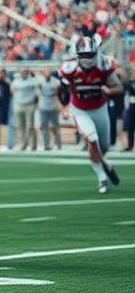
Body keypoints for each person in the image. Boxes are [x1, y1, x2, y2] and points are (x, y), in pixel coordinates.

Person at [58, 35, 122, 193]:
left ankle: (104, 162)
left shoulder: (104, 66)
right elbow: (60, 90)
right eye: (83, 55)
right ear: (77, 55)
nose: (87, 59)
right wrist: (63, 107)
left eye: (90, 55)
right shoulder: (70, 69)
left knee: (104, 145)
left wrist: (109, 90)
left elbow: (119, 89)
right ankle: (102, 178)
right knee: (92, 139)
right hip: (79, 110)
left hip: (100, 108)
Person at [11, 69, 39, 150]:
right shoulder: (16, 81)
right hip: (19, 105)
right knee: (21, 126)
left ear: (27, 73)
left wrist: (35, 103)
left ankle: (33, 144)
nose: (23, 74)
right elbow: (12, 90)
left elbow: (37, 93)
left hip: (29, 105)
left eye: (24, 72)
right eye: (21, 72)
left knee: (30, 126)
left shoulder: (33, 81)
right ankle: (24, 144)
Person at [37, 68, 62, 149]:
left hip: (53, 106)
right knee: (44, 127)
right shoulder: (39, 82)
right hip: (43, 106)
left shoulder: (56, 82)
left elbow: (58, 93)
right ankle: (46, 145)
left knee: (55, 126)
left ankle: (58, 144)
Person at [123, 69, 135, 152]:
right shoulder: (128, 84)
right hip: (131, 106)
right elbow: (126, 96)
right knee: (130, 127)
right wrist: (127, 107)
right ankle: (130, 146)